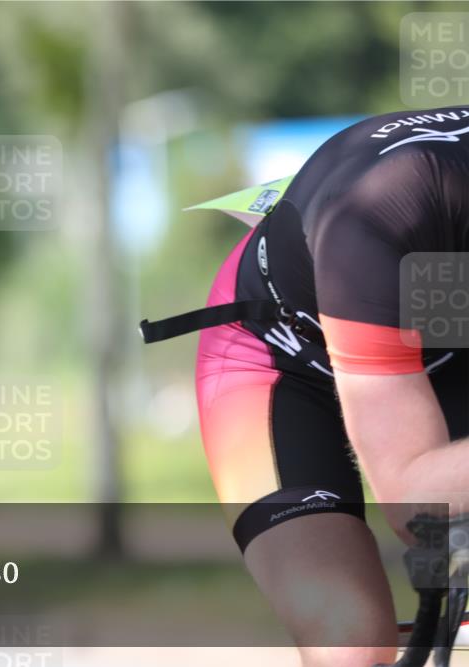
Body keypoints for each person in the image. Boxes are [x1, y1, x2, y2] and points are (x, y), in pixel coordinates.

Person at [141, 106, 469, 667]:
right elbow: (416, 500)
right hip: (279, 362)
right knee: (349, 638)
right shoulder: (385, 204)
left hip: (443, 347)